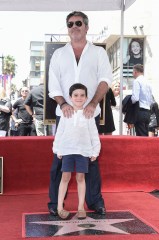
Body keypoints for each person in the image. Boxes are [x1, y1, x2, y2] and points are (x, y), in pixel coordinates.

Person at [48, 11, 112, 216]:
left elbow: (105, 80)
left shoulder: (98, 53)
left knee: (91, 159)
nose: (74, 27)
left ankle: (95, 202)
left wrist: (93, 103)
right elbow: (53, 84)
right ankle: (55, 203)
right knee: (60, 161)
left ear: (86, 27)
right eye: (70, 24)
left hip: (89, 114)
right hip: (65, 114)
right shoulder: (58, 54)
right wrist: (63, 103)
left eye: (78, 23)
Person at [54, 83, 101, 220]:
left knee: (81, 178)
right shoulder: (65, 114)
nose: (79, 98)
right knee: (65, 177)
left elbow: (94, 134)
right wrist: (57, 149)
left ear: (86, 98)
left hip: (83, 151)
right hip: (67, 150)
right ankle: (59, 207)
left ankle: (81, 207)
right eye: (76, 95)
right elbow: (60, 133)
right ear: (70, 97)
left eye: (82, 95)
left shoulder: (88, 115)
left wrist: (95, 151)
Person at [131, 64, 153, 136]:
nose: (132, 74)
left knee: (140, 136)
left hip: (140, 111)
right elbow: (150, 99)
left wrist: (129, 101)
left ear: (135, 72)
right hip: (147, 112)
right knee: (145, 135)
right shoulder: (148, 82)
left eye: (133, 72)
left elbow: (135, 98)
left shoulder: (137, 81)